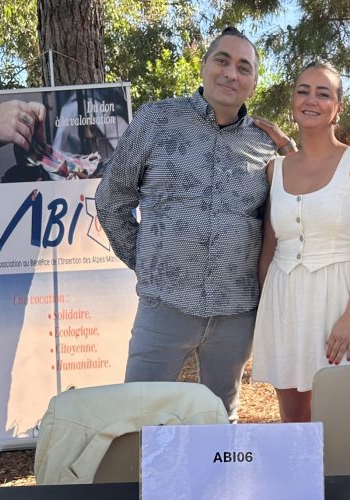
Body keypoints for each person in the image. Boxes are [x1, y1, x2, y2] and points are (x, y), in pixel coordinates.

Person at [96, 27, 295, 421]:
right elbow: (112, 199)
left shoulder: (263, 144)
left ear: (253, 84)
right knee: (137, 417)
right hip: (164, 305)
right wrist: (149, 263)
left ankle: (216, 484)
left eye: (244, 68)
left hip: (236, 312)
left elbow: (293, 212)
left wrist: (289, 147)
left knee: (220, 417)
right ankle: (138, 487)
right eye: (222, 60)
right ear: (204, 66)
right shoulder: (156, 119)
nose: (230, 74)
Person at [251, 61, 350, 421]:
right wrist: (270, 310)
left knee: (346, 423)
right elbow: (269, 247)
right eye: (303, 91)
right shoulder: (275, 169)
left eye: (323, 93)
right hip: (284, 301)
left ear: (337, 107)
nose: (311, 99)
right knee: (295, 425)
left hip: (340, 299)